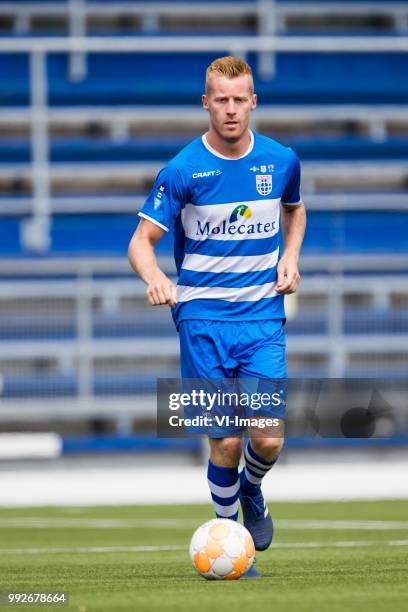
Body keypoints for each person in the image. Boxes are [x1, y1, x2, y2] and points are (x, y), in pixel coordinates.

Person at [128, 56, 306, 578]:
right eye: (220, 100)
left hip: (262, 316)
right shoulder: (182, 170)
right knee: (225, 439)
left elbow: (294, 209)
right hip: (201, 319)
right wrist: (155, 278)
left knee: (267, 437)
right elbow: (141, 242)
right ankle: (234, 539)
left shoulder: (281, 161)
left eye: (239, 99)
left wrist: (291, 256)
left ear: (254, 101)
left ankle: (252, 489)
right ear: (206, 103)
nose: (230, 110)